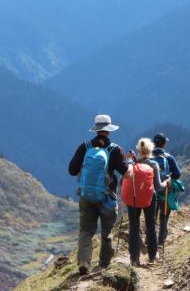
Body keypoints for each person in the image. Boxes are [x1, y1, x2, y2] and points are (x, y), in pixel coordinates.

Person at [69, 114, 133, 275]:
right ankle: (103, 265)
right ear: (109, 130)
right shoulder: (115, 149)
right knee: (107, 232)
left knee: (86, 231)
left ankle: (84, 262)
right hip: (107, 198)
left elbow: (71, 170)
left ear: (96, 130)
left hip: (86, 196)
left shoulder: (84, 147)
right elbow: (127, 174)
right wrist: (131, 163)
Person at [126, 138, 170, 266]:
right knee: (151, 226)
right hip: (150, 199)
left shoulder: (133, 164)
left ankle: (134, 259)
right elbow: (157, 186)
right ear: (150, 150)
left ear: (138, 150)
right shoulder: (153, 164)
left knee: (134, 227)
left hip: (134, 199)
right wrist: (166, 183)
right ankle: (152, 256)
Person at [153, 133, 181, 247]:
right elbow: (178, 174)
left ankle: (150, 240)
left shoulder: (148, 157)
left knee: (151, 217)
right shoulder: (168, 157)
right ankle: (161, 241)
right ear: (164, 144)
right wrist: (169, 179)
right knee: (164, 217)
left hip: (151, 193)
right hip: (165, 191)